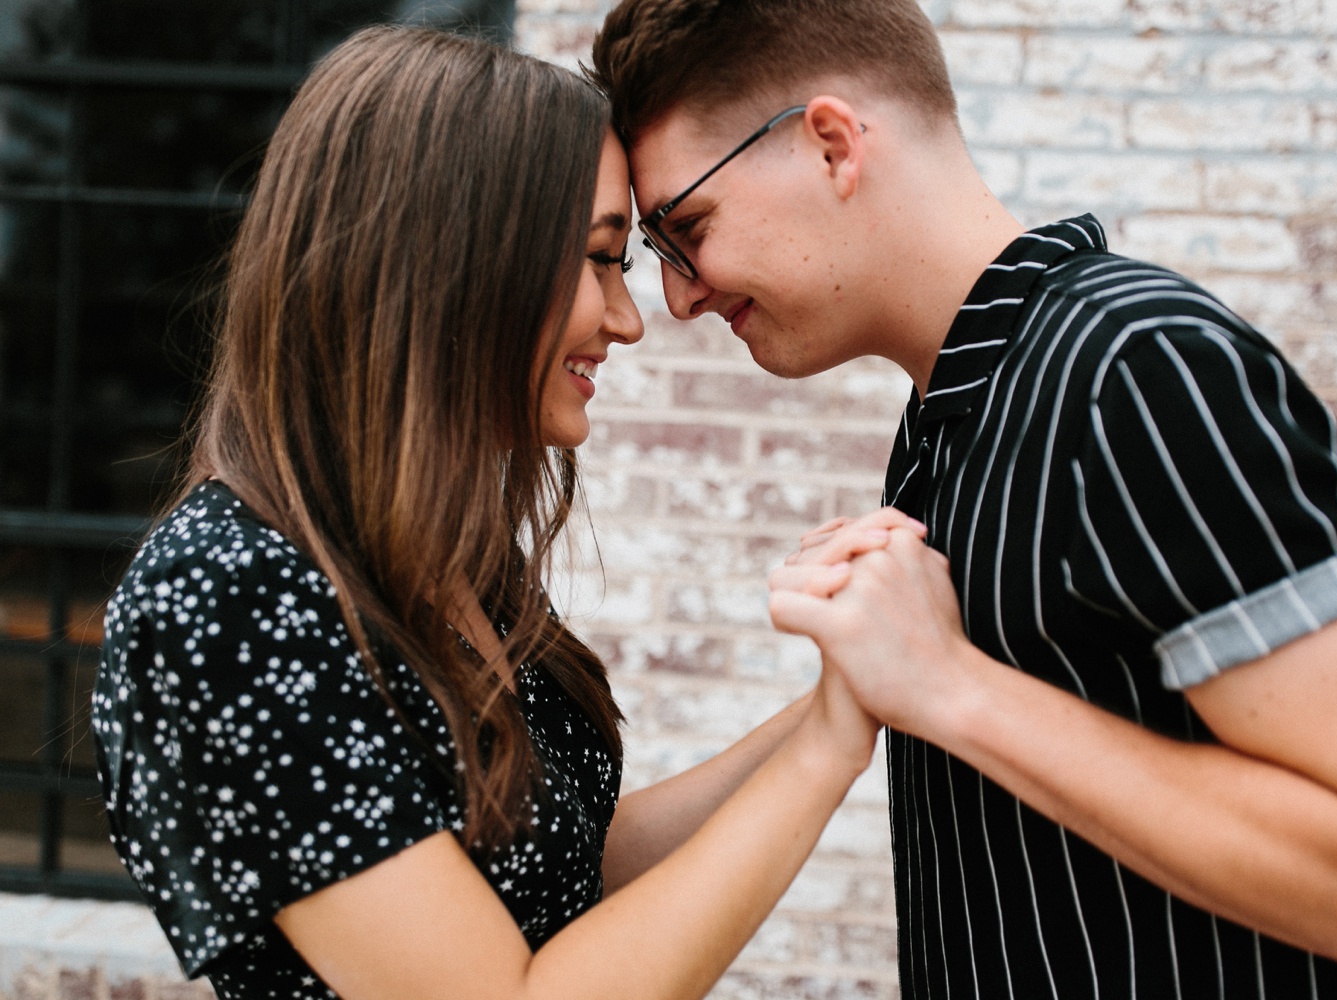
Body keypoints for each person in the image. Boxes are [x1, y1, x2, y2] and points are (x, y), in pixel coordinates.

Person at [587, 1, 1337, 997]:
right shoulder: (953, 411)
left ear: (832, 145)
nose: (679, 298)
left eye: (686, 230)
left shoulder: (1138, 370)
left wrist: (950, 687)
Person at [91, 25, 878, 1000]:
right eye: (599, 259)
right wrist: (827, 752)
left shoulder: (433, 564)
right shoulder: (227, 599)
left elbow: (566, 876)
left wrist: (841, 703)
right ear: (450, 268)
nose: (629, 319)